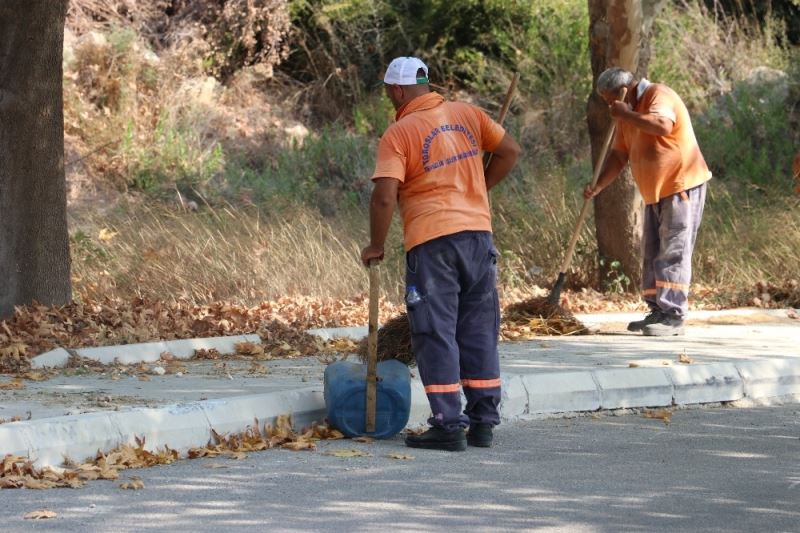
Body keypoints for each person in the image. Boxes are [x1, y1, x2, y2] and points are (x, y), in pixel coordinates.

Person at [360, 57, 521, 451]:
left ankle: (448, 425)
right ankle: (483, 422)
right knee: (478, 330)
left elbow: (384, 196)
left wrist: (376, 245)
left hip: (433, 244)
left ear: (397, 90)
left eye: (387, 92)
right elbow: (510, 151)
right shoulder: (468, 114)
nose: (388, 98)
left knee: (436, 332)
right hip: (478, 239)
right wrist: (480, 188)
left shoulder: (399, 133)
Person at [584, 67, 712, 337]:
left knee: (673, 249)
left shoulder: (657, 94)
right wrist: (598, 186)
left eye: (611, 99)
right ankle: (657, 309)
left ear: (623, 90)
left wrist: (626, 115)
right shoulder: (626, 113)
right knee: (652, 251)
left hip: (680, 184)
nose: (611, 106)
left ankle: (673, 315)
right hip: (655, 192)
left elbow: (663, 125)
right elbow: (619, 156)